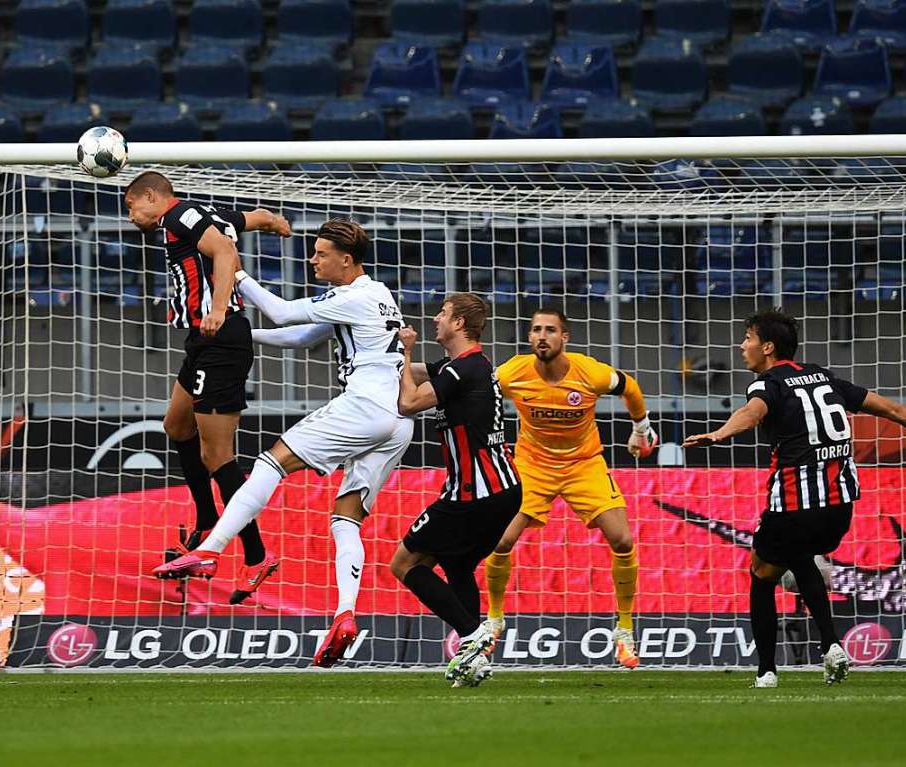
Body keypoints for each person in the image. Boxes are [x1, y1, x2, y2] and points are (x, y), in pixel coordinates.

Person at [154, 218, 414, 668]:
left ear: (346, 260)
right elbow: (297, 336)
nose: (312, 259)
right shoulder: (375, 294)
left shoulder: (352, 296)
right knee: (345, 521)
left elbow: (282, 312)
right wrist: (240, 335)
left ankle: (210, 550)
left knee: (269, 464)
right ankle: (345, 614)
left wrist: (234, 272)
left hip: (367, 407)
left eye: (321, 253)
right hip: (398, 422)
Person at [683, 309, 906, 688]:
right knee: (801, 558)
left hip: (795, 504)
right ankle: (831, 646)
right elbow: (892, 409)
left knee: (761, 574)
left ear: (767, 347)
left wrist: (720, 434)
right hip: (839, 509)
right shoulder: (824, 378)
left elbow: (752, 412)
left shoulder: (768, 384)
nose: (742, 345)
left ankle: (766, 671)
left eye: (747, 338)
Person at [124, 171, 291, 605]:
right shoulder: (202, 215)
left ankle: (256, 555)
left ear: (150, 196)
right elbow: (242, 220)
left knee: (217, 456)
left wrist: (217, 307)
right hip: (202, 342)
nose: (130, 216)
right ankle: (205, 520)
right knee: (176, 425)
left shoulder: (180, 215)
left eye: (131, 206)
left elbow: (224, 248)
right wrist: (272, 220)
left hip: (221, 338)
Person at [483, 308, 657, 668]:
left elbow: (630, 387)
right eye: (535, 330)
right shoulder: (512, 372)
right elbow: (477, 390)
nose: (541, 336)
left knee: (622, 540)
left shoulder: (589, 372)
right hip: (532, 466)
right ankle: (494, 619)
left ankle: (624, 629)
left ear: (565, 338)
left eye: (550, 330)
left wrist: (641, 429)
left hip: (584, 464)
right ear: (529, 337)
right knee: (499, 540)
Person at [390, 294, 521, 687]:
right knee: (458, 566)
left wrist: (405, 347)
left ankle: (472, 633)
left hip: (474, 494)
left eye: (443, 313)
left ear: (460, 323)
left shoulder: (463, 370)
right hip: (500, 491)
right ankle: (473, 660)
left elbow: (408, 401)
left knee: (405, 564)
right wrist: (374, 359)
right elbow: (414, 371)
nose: (435, 318)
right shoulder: (465, 367)